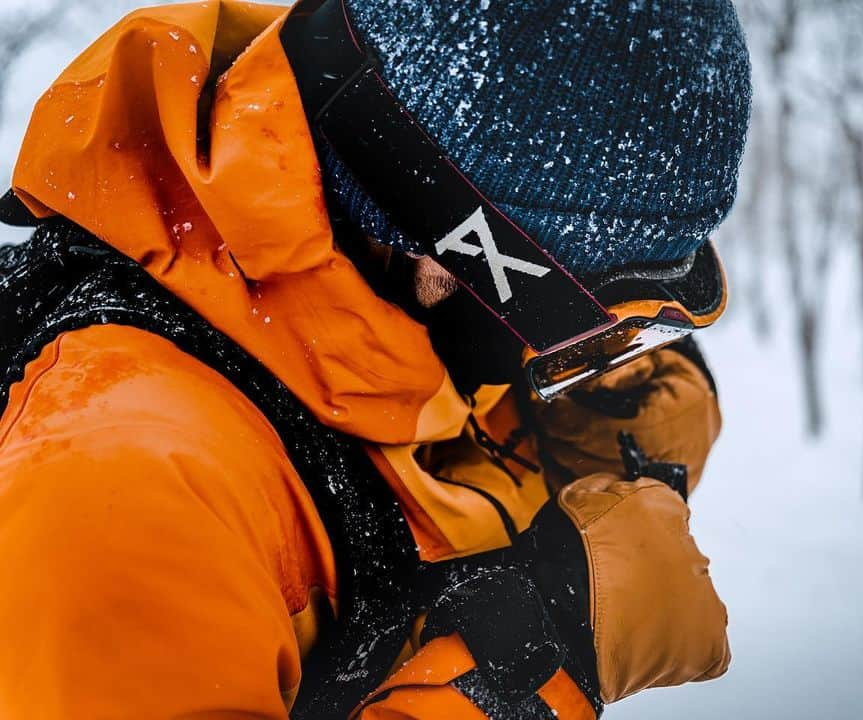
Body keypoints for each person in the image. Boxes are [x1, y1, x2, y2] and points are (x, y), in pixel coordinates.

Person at [0, 0, 751, 717]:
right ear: (462, 243)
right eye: (594, 313)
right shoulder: (124, 491)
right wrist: (537, 668)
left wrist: (573, 466)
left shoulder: (394, 324)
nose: (577, 357)